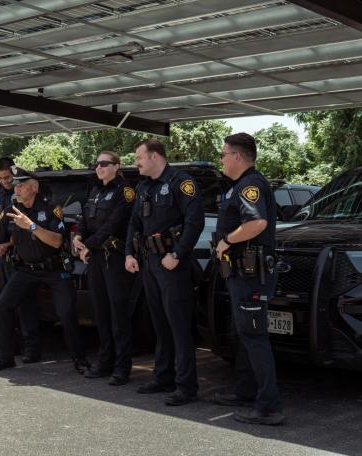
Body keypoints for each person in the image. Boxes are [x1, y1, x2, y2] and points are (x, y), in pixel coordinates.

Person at [0, 166, 89, 373]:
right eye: (15, 186)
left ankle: (80, 359)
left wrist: (31, 225)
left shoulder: (51, 208)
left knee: (66, 313)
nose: (16, 190)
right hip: (26, 270)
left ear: (34, 188)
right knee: (2, 305)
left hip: (54, 269)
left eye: (20, 186)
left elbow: (57, 241)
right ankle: (5, 357)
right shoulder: (10, 211)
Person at [124, 139, 204, 406]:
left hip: (172, 264)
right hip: (149, 262)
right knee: (160, 323)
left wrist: (178, 254)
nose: (137, 162)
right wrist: (129, 253)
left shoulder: (181, 182)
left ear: (155, 157)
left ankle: (186, 386)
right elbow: (134, 223)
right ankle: (163, 376)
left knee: (179, 326)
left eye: (140, 157)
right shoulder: (144, 186)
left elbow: (195, 223)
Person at [213, 133, 284, 425]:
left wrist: (226, 240)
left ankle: (269, 407)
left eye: (224, 154)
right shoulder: (240, 186)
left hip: (251, 274)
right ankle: (245, 391)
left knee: (255, 338)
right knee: (244, 335)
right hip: (241, 274)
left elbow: (256, 223)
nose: (221, 159)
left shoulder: (250, 185)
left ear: (237, 157)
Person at [72, 151, 136, 386]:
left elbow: (113, 225)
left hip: (115, 258)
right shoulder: (96, 190)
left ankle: (122, 367)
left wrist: (87, 245)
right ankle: (105, 361)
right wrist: (79, 237)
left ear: (117, 166)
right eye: (96, 164)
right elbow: (84, 220)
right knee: (101, 313)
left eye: (104, 164)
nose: (98, 167)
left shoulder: (125, 192)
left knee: (118, 315)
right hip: (96, 259)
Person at [0, 157, 39, 361]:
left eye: (7, 177)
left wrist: (7, 244)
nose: (4, 182)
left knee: (24, 305)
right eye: (0, 178)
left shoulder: (21, 192)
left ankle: (30, 347)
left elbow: (24, 224)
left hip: (17, 254)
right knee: (0, 303)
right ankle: (5, 346)